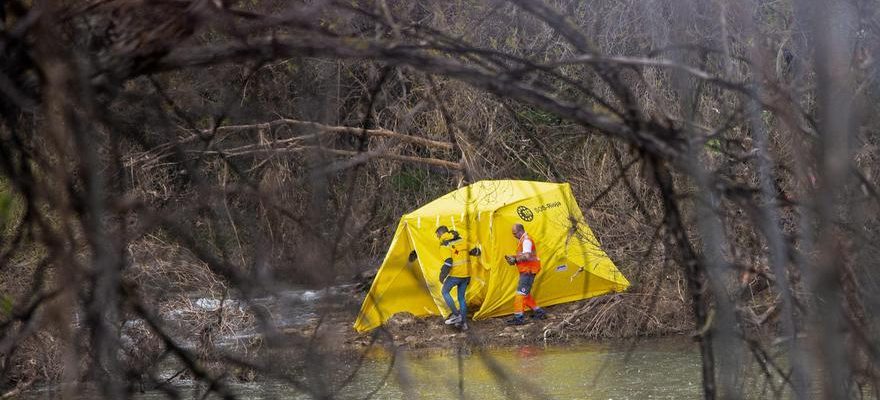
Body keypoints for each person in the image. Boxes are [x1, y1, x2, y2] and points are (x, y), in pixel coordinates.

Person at [436, 225, 480, 331]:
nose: (437, 237)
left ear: (441, 233)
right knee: (461, 298)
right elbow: (476, 251)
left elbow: (448, 262)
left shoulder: (445, 244)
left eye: (437, 235)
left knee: (444, 291)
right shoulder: (461, 240)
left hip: (455, 274)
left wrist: (442, 275)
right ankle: (464, 324)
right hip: (466, 274)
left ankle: (457, 315)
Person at [504, 223, 547, 325]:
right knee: (526, 294)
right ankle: (539, 312)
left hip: (528, 271)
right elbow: (524, 255)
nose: (513, 235)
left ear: (520, 231)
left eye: (514, 233)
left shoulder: (526, 240)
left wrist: (515, 259)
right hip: (527, 270)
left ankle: (518, 318)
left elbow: (527, 256)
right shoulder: (523, 240)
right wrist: (514, 258)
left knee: (520, 294)